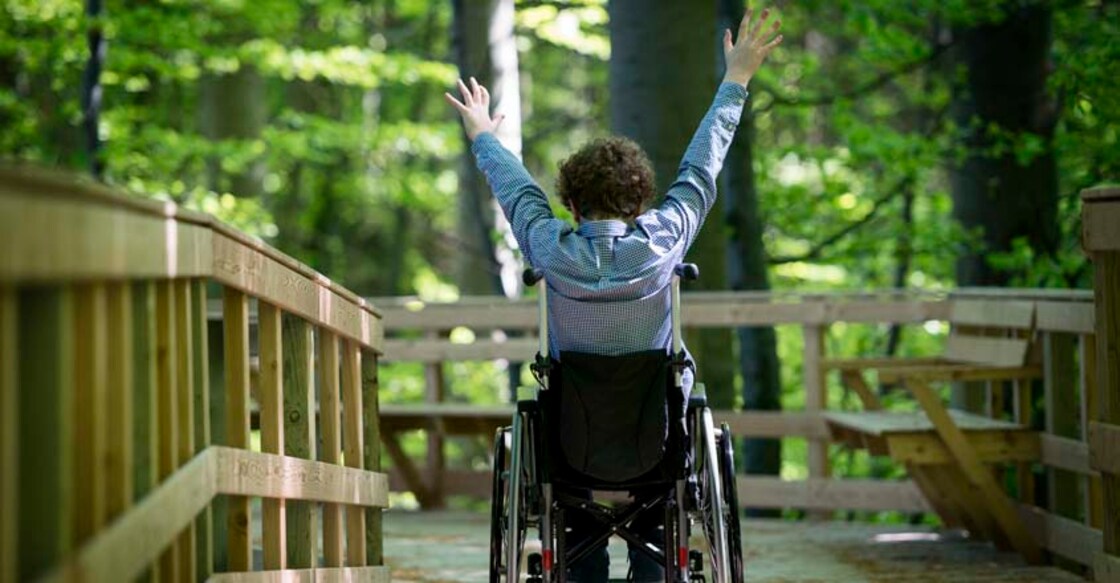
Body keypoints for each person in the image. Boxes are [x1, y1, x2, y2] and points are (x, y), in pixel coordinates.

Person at [446, 7, 782, 582]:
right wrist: (737, 78)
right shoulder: (663, 240)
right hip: (656, 437)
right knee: (663, 479)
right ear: (641, 201)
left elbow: (517, 191)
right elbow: (702, 169)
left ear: (572, 205)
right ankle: (653, 563)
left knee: (568, 485)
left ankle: (585, 566)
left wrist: (483, 136)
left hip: (572, 443)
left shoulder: (549, 247)